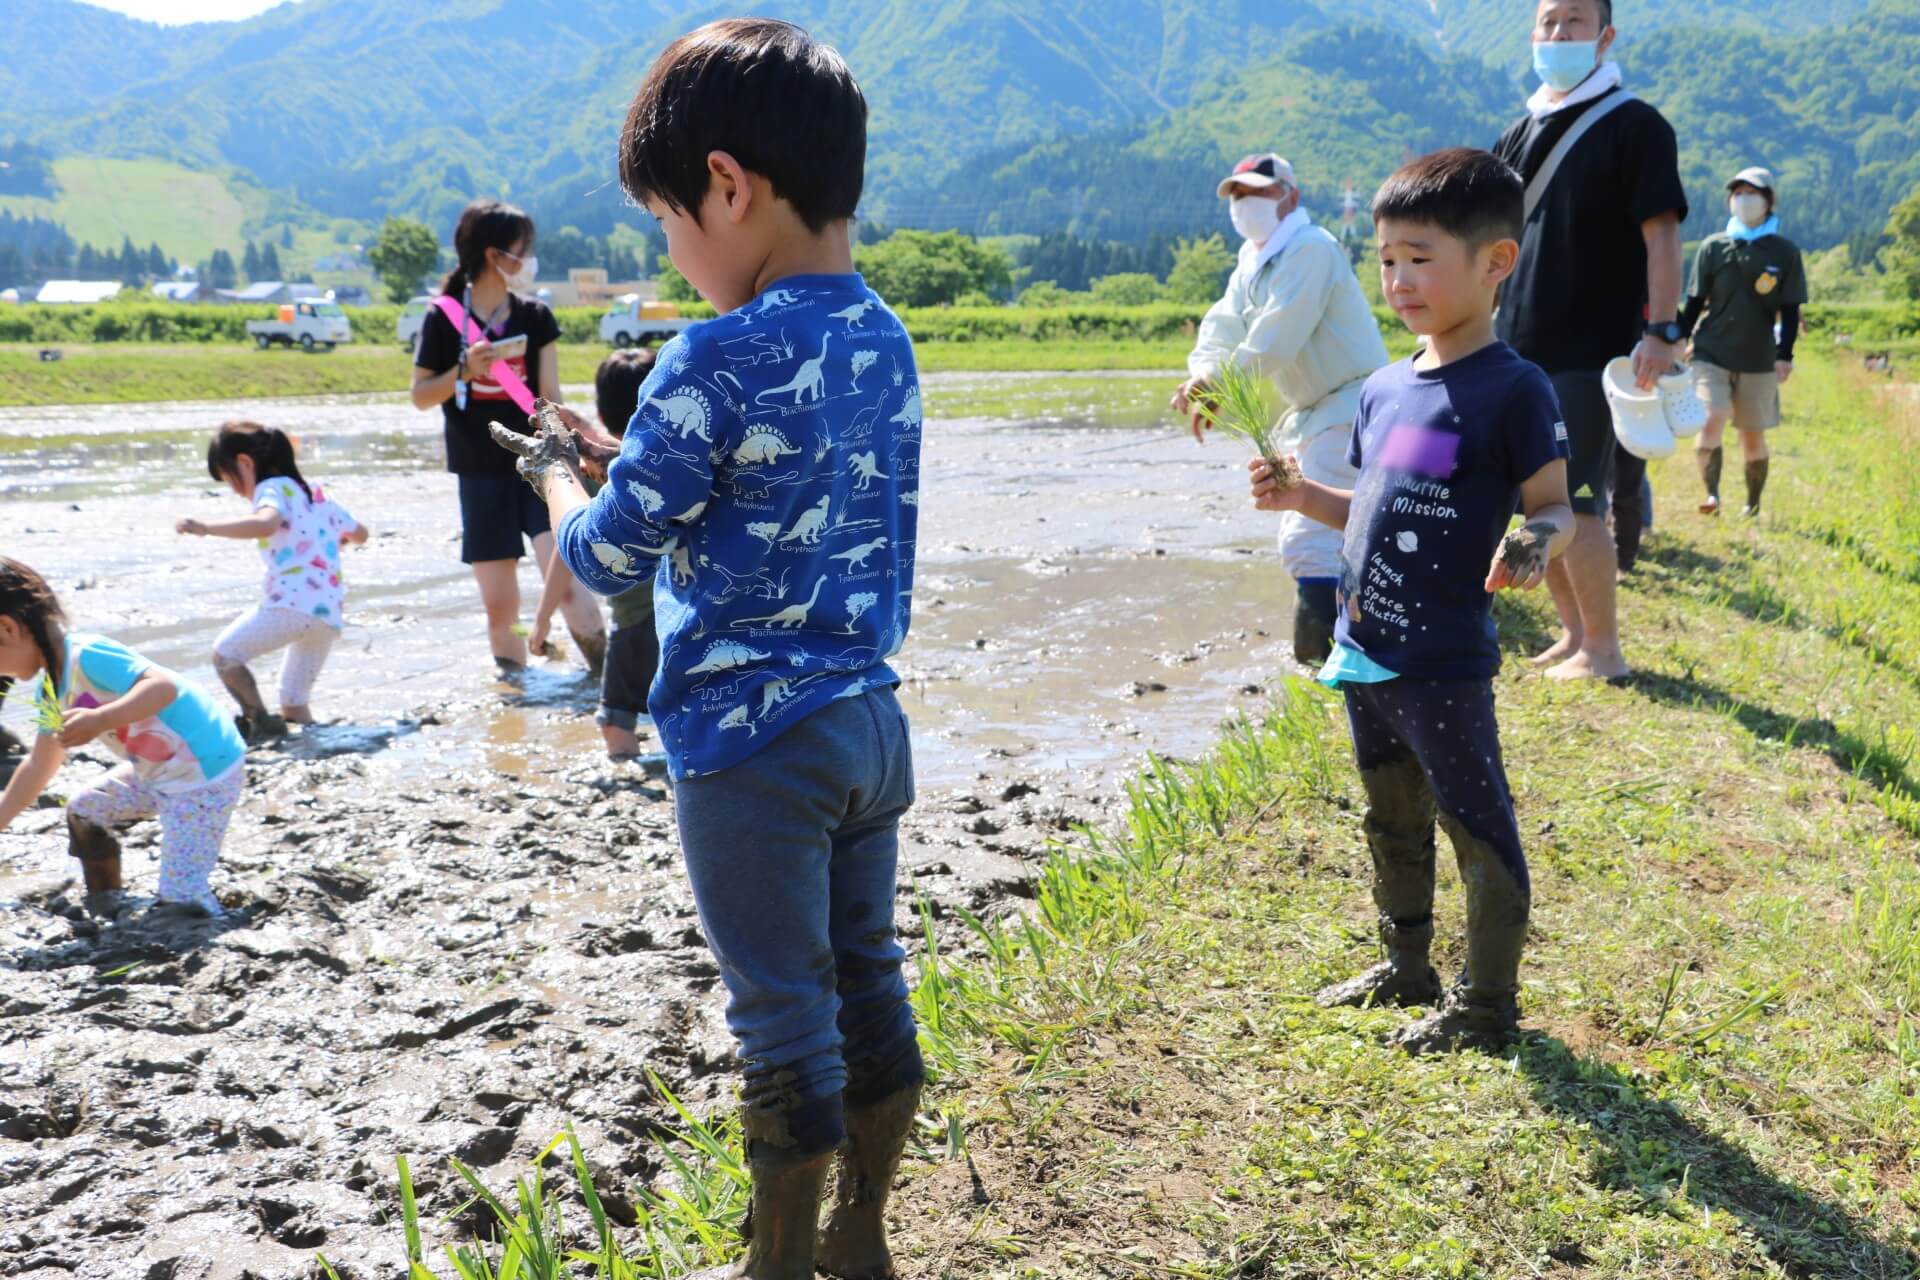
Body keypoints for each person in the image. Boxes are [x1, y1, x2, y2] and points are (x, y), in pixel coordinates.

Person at [491, 20, 923, 1280]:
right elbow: (780, 492)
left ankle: (775, 1265)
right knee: (868, 976)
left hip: (750, 745)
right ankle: (862, 1237)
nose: (671, 247)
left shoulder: (713, 351)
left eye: (669, 218)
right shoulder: (883, 335)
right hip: (865, 720)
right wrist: (622, 466)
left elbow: (615, 560)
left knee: (780, 1012)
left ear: (729, 186)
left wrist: (564, 497)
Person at [1249, 149, 1574, 1052]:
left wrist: (1533, 545)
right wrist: (1301, 498)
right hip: (1366, 647)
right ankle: (1406, 966)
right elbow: (1380, 506)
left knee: (1475, 823)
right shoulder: (1387, 390)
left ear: (1495, 262)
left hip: (1442, 660)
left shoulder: (1513, 389)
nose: (1398, 280)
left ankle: (1486, 1007)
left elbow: (1554, 509)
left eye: (1421, 259)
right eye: (1387, 259)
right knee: (1388, 813)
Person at [1492, 0, 1687, 679]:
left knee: (1577, 502)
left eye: (1573, 22)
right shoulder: (1519, 131)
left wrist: (1662, 331)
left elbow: (1661, 236)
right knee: (1533, 502)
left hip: (1590, 349)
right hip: (1516, 347)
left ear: (1604, 37)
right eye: (1546, 22)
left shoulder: (1635, 126)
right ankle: (1572, 635)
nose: (1557, 34)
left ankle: (1604, 649)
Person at [1175, 153, 1389, 664]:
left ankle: (1322, 663)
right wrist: (1202, 376)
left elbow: (1275, 339)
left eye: (1259, 193)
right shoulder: (1252, 263)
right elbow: (1220, 328)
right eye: (1238, 196)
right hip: (1316, 414)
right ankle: (1359, 649)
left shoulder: (1310, 250)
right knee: (1349, 530)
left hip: (1348, 406)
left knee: (1308, 539)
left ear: (1290, 196)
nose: (1246, 205)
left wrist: (1218, 385)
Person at [410, 198, 607, 677]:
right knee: (501, 605)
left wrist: (577, 449)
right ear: (493, 254)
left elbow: (550, 395)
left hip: (542, 471)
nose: (528, 260)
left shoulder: (535, 317)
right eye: (522, 250)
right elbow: (420, 395)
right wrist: (463, 370)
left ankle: (609, 686)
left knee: (565, 583)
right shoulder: (443, 317)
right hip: (478, 471)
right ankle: (521, 684)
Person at [0, 558, 248, 918]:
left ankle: (206, 918)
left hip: (203, 773)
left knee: (182, 897)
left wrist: (102, 717)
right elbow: (40, 763)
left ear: (6, 628)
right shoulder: (52, 690)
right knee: (84, 812)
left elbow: (162, 687)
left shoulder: (88, 655)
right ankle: (106, 900)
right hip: (156, 771)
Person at [176, 421, 368, 740]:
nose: (237, 491)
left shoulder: (273, 489)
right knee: (294, 703)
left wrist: (207, 527)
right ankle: (310, 741)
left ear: (245, 463)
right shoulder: (316, 494)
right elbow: (361, 533)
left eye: (231, 481)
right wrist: (334, 539)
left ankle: (259, 723)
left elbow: (267, 523)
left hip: (293, 604)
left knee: (225, 656)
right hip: (327, 614)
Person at [529, 348, 663, 761]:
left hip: (636, 621)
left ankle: (630, 767)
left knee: (615, 719)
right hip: (689, 612)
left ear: (602, 414)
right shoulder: (678, 461)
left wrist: (541, 620)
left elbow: (569, 553)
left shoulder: (600, 474)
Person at [1683, 166, 1806, 519]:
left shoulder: (1784, 252)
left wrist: (1785, 355)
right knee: (1711, 416)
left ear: (1768, 201)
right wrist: (1675, 338)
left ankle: (1752, 503)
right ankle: (1712, 496)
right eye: (1737, 193)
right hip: (1710, 350)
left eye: (1752, 193)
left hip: (1759, 355)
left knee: (1752, 436)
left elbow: (1791, 308)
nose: (1743, 199)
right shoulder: (1713, 247)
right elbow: (1693, 302)